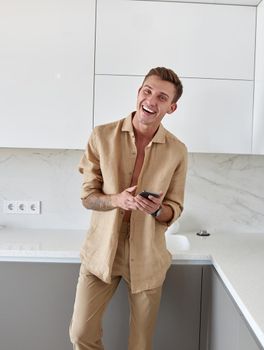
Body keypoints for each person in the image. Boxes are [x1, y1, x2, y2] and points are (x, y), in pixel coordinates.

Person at [69, 67, 188, 350]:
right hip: (101, 252)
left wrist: (157, 210)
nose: (151, 100)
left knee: (140, 345)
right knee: (80, 333)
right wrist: (115, 200)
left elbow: (175, 208)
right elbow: (88, 197)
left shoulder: (177, 150)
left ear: (171, 107)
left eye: (161, 97)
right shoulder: (101, 136)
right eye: (147, 91)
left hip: (147, 255)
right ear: (138, 93)